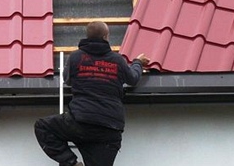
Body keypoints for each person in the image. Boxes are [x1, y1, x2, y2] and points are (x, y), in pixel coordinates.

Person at [34, 21, 150, 166]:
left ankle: (71, 163)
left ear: (87, 36)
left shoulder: (76, 57)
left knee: (43, 127)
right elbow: (133, 78)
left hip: (81, 123)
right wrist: (138, 62)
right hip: (109, 129)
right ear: (106, 36)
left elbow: (68, 80)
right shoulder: (117, 60)